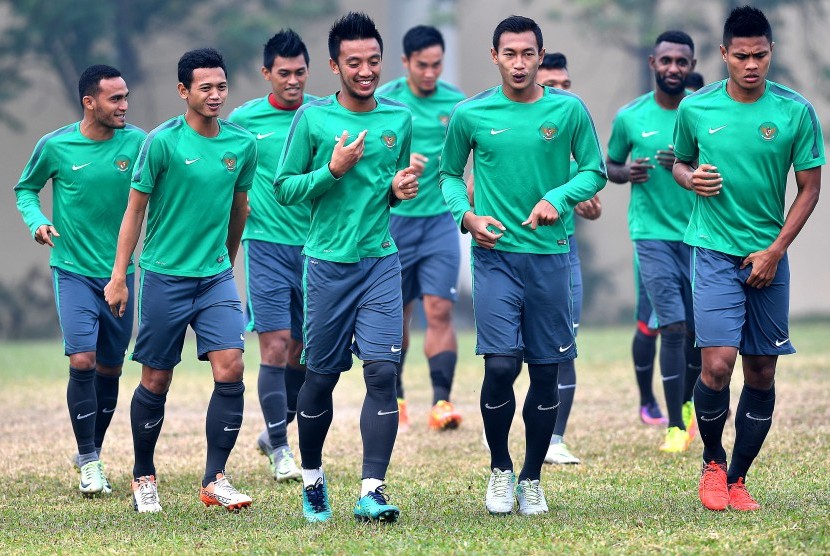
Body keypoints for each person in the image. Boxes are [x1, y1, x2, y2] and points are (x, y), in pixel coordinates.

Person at [440, 15, 606, 516]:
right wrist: (466, 216)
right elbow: (449, 175)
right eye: (509, 54)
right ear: (495, 57)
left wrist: (559, 196)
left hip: (551, 258)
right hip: (496, 259)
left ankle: (532, 477)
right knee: (501, 366)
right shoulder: (470, 114)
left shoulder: (569, 110)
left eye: (527, 54)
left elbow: (595, 171)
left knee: (545, 370)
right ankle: (500, 468)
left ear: (540, 55)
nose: (519, 63)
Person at [673, 5, 824, 511]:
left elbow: (809, 188)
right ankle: (713, 464)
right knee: (717, 364)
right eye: (741, 56)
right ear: (723, 55)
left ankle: (738, 479)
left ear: (771, 52)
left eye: (760, 55)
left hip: (768, 257)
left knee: (761, 369)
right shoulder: (696, 109)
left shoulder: (794, 111)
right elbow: (680, 163)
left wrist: (776, 251)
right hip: (713, 250)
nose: (751, 64)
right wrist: (690, 179)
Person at [274, 11, 417, 524]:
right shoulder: (311, 119)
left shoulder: (398, 120)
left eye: (373, 61)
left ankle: (372, 489)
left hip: (380, 260)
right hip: (328, 264)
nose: (365, 71)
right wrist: (331, 171)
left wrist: (397, 193)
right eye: (353, 62)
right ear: (334, 65)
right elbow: (285, 190)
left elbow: (386, 191)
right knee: (322, 377)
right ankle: (312, 478)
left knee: (382, 371)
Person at [104, 48, 257, 513]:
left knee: (231, 367)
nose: (215, 95)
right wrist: (119, 277)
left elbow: (239, 211)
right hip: (164, 277)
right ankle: (143, 476)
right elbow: (135, 211)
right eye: (205, 87)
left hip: (214, 278)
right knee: (156, 378)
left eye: (221, 86)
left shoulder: (242, 145)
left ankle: (215, 479)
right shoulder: (161, 143)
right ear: (183, 91)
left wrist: (226, 264)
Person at [14, 65, 145, 498]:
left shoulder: (140, 144)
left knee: (110, 367)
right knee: (82, 361)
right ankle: (89, 459)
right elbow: (25, 189)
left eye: (126, 97)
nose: (124, 105)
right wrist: (37, 222)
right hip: (71, 270)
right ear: (89, 102)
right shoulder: (55, 145)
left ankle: (93, 449)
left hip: (120, 276)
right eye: (115, 99)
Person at [606, 30, 701, 453]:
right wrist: (630, 173)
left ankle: (689, 407)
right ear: (653, 64)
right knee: (674, 326)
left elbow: (726, 162)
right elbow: (610, 165)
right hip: (652, 235)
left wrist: (690, 162)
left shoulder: (701, 112)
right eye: (667, 61)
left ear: (692, 65)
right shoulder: (630, 117)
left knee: (701, 332)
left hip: (700, 234)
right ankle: (675, 426)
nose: (674, 68)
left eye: (682, 62)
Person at [227, 29, 315, 483]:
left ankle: (276, 429)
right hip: (265, 248)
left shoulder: (321, 116)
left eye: (300, 72)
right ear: (267, 74)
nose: (293, 80)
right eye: (284, 73)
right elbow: (227, 174)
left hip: (320, 248)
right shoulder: (245, 120)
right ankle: (281, 448)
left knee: (305, 352)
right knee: (275, 347)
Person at [376, 25, 466, 433]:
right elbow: (366, 152)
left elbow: (477, 154)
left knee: (440, 309)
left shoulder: (457, 104)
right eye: (422, 66)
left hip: (440, 224)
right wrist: (397, 157)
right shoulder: (387, 101)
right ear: (406, 63)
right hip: (394, 223)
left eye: (436, 65)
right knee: (399, 316)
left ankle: (441, 402)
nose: (430, 73)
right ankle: (396, 398)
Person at [535, 52, 602, 465]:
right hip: (510, 257)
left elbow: (592, 197)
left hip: (563, 254)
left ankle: (556, 438)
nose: (559, 91)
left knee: (564, 346)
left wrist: (588, 207)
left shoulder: (575, 142)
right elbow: (470, 187)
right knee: (509, 355)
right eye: (551, 84)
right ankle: (505, 433)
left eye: (565, 83)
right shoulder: (508, 126)